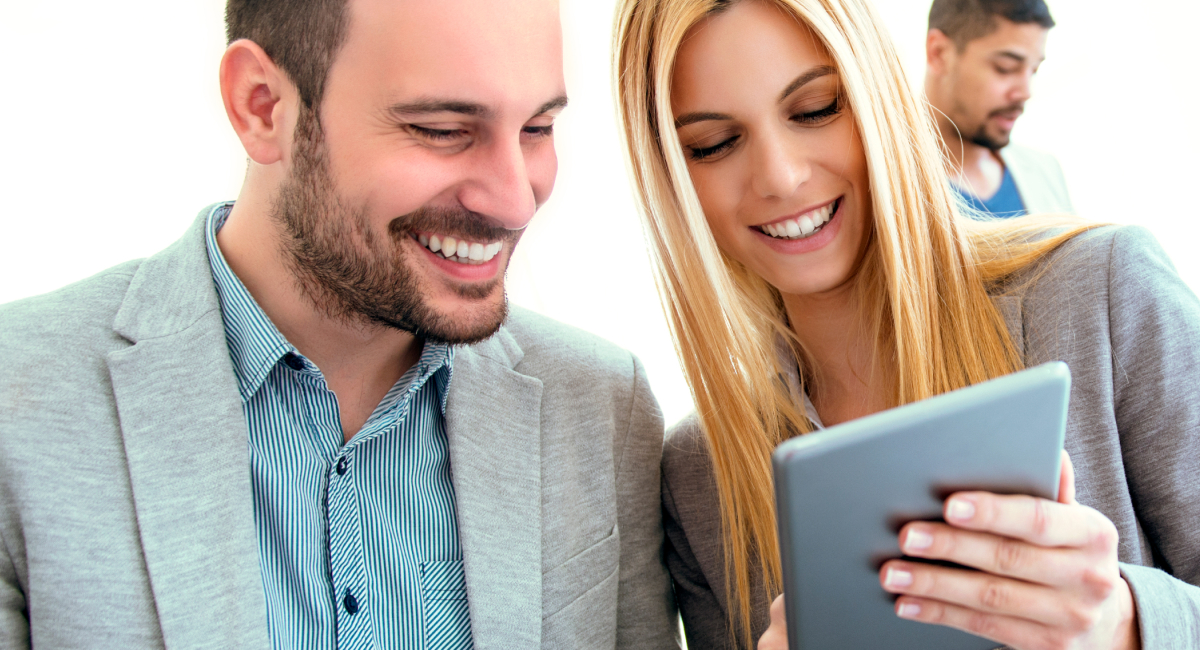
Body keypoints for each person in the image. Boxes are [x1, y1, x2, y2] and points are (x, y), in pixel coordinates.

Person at [0, 0, 679, 647]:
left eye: (537, 128)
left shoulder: (600, 410)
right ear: (262, 106)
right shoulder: (18, 404)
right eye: (441, 130)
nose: (515, 200)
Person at [613, 0, 1200, 648]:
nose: (781, 177)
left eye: (815, 109)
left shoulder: (1105, 295)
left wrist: (1126, 623)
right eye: (714, 145)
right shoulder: (696, 476)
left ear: (881, 95)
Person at [924, 0, 1073, 218]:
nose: (1025, 92)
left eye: (1034, 70)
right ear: (938, 53)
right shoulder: (880, 180)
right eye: (1006, 68)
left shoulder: (1046, 172)